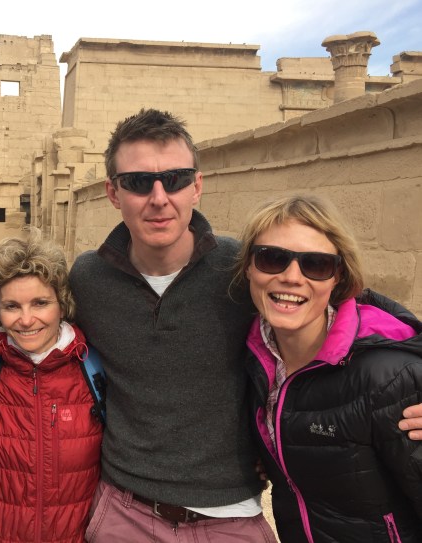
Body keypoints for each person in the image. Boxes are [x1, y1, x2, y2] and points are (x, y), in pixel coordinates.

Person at [69, 108, 422, 543]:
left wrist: (415, 376)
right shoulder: (88, 278)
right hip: (123, 512)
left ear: (197, 186)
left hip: (231, 518)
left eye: (176, 179)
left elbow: (353, 311)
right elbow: (34, 338)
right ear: (113, 192)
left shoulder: (244, 267)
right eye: (139, 182)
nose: (159, 197)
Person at [234, 194, 422, 542]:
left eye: (316, 265)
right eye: (271, 258)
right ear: (248, 267)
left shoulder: (388, 378)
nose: (291, 277)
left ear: (338, 277)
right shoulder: (252, 362)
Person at [0, 233, 103, 543]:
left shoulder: (92, 368)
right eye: (12, 306)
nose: (27, 320)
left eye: (40, 303)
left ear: (61, 304)